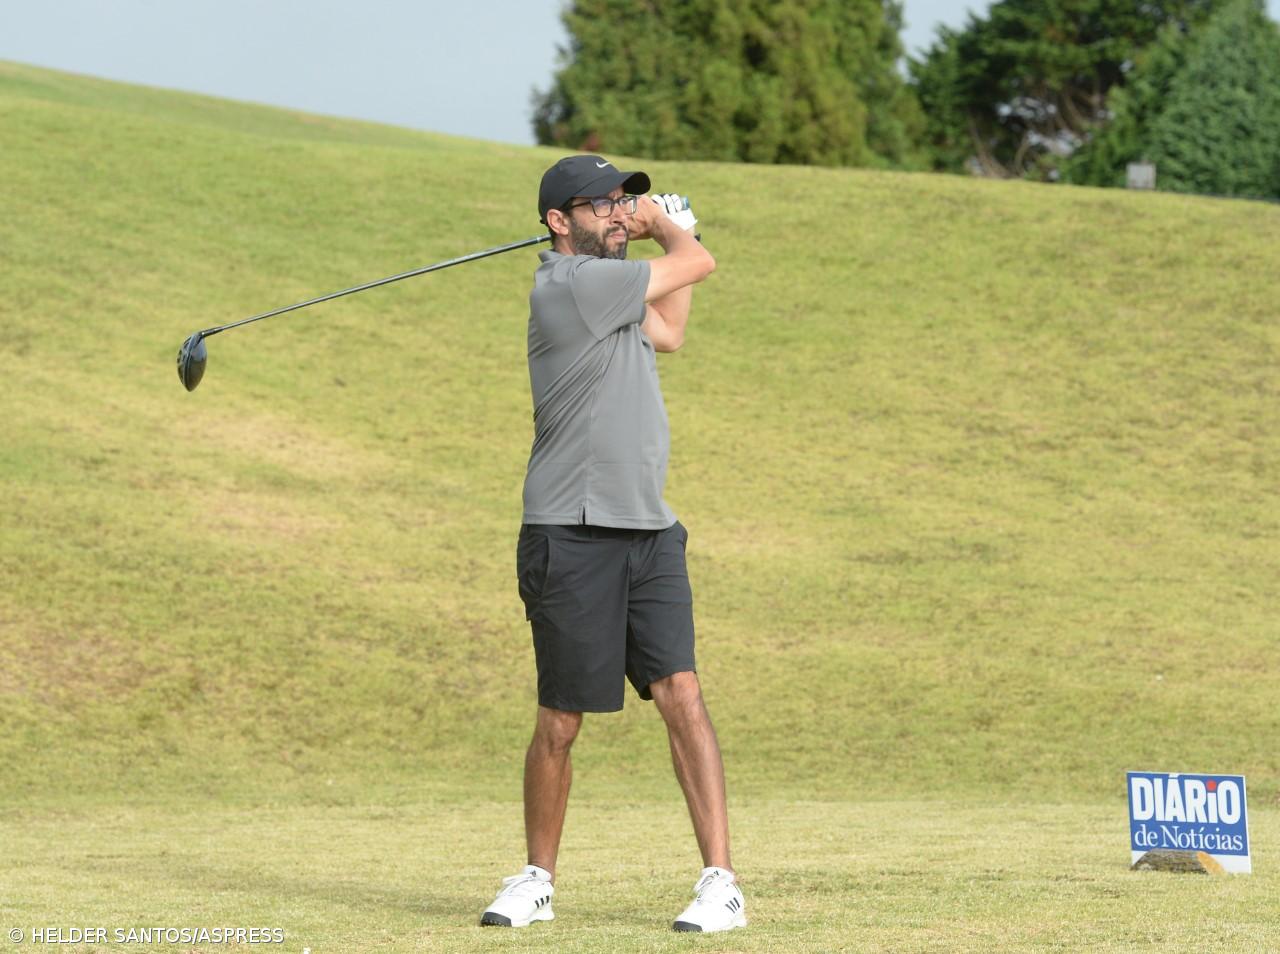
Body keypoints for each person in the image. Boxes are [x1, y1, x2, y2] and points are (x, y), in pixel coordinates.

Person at [479, 155, 745, 934]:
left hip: (649, 529)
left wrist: (669, 233)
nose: (618, 214)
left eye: (623, 202)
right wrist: (671, 226)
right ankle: (535, 879)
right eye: (601, 206)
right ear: (559, 222)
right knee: (561, 721)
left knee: (683, 696)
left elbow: (670, 331)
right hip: (570, 530)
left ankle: (720, 883)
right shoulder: (568, 287)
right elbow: (697, 262)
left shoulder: (615, 291)